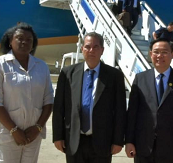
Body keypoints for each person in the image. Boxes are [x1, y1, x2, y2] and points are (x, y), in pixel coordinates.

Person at [53, 32, 127, 163]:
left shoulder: (114, 76)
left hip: (102, 142)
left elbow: (120, 111)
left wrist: (118, 140)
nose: (91, 50)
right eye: (87, 47)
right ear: (82, 49)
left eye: (96, 47)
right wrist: (58, 136)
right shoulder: (68, 73)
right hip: (74, 141)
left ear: (102, 50)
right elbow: (59, 108)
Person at [0, 23, 54, 163]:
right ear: (10, 41)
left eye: (29, 40)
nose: (24, 42)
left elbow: (48, 100)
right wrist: (14, 130)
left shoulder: (42, 67)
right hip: (7, 135)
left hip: (33, 135)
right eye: (20, 38)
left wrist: (38, 127)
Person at [125, 38, 173, 163]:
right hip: (143, 147)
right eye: (156, 52)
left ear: (172, 55)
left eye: (164, 52)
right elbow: (132, 114)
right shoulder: (140, 79)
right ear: (151, 54)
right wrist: (129, 141)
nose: (159, 56)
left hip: (172, 147)